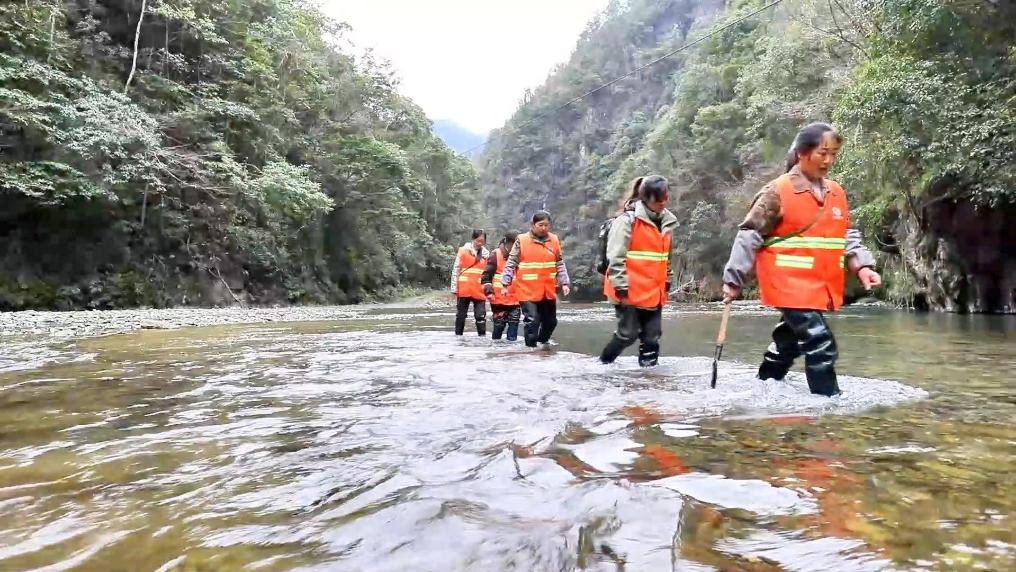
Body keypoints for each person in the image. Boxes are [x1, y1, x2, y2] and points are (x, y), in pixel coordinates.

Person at [721, 122, 882, 396]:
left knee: (789, 342)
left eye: (833, 154)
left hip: (818, 285)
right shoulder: (777, 191)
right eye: (822, 153)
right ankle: (828, 404)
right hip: (787, 283)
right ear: (801, 153)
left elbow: (847, 233)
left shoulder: (836, 192)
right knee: (821, 344)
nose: (828, 160)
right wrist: (733, 279)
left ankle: (764, 385)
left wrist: (862, 266)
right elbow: (750, 234)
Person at [599, 175, 678, 366]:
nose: (663, 202)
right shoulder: (626, 221)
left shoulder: (667, 223)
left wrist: (667, 280)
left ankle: (649, 377)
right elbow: (615, 258)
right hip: (628, 290)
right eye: (659, 199)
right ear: (647, 198)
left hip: (654, 291)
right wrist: (621, 288)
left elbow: (665, 258)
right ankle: (603, 365)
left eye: (666, 198)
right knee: (628, 334)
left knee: (652, 336)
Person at [501, 211, 571, 348]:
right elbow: (511, 262)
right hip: (527, 290)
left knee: (551, 322)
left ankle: (542, 345)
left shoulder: (554, 240)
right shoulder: (522, 240)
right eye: (540, 225)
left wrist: (564, 282)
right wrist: (505, 284)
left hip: (547, 290)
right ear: (533, 225)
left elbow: (559, 262)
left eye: (546, 225)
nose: (544, 228)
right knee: (532, 321)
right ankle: (531, 350)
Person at [481, 231, 522, 341]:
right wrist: (489, 292)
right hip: (498, 299)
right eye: (517, 245)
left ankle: (512, 350)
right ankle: (496, 348)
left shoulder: (521, 256)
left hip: (516, 299)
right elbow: (486, 276)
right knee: (499, 326)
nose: (519, 248)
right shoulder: (496, 254)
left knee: (514, 325)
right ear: (509, 243)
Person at [450, 229, 489, 336]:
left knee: (480, 316)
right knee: (461, 316)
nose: (480, 243)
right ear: (473, 239)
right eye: (478, 240)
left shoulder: (486, 255)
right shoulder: (463, 251)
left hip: (479, 290)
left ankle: (482, 338)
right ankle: (458, 337)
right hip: (464, 289)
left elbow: (488, 273)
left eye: (482, 241)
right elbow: (456, 270)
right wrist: (454, 288)